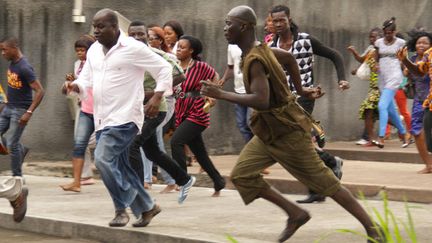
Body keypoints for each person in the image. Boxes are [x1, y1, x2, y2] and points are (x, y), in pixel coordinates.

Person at [201, 5, 383, 242]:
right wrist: (301, 89)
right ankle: (295, 213)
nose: (225, 29)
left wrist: (221, 94)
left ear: (243, 26)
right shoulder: (259, 48)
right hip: (268, 131)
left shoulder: (255, 58)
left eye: (229, 24)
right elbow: (287, 58)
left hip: (287, 131)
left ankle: (373, 230)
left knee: (326, 182)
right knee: (242, 175)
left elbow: (261, 100)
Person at [64, 9, 177, 228]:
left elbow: (163, 69)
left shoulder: (133, 48)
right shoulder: (95, 50)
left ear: (115, 28)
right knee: (123, 167)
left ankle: (120, 209)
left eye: (101, 26)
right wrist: (74, 86)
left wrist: (157, 96)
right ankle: (147, 206)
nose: (95, 31)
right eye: (94, 26)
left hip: (126, 117)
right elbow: (86, 79)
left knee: (103, 158)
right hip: (102, 118)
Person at [269, 4, 343, 204]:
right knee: (302, 144)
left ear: (289, 19)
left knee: (302, 142)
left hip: (305, 97)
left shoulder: (305, 40)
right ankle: (326, 171)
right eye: (274, 21)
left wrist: (341, 79)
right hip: (285, 101)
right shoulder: (271, 47)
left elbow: (335, 55)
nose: (278, 24)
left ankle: (325, 171)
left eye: (281, 20)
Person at [127, 20, 196, 199]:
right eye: (132, 34)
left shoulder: (156, 55)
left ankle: (139, 194)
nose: (137, 37)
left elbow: (180, 75)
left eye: (141, 34)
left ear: (146, 37)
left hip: (156, 109)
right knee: (152, 151)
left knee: (133, 145)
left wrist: (153, 94)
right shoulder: (125, 55)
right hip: (135, 111)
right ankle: (184, 179)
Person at [171, 35, 225, 197]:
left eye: (182, 47)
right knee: (200, 153)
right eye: (178, 47)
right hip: (181, 110)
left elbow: (215, 76)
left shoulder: (200, 67)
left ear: (191, 51)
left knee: (176, 141)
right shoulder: (175, 66)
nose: (179, 49)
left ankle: (183, 180)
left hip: (197, 111)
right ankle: (218, 182)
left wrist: (212, 94)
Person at [0, 37, 45, 177]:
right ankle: (21, 150)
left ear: (14, 48)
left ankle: (17, 178)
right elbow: (14, 87)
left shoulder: (24, 67)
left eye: (4, 49)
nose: (2, 53)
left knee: (12, 145)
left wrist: (29, 112)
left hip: (20, 111)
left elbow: (40, 91)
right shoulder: (12, 63)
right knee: (13, 144)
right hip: (8, 108)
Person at [60, 35, 96, 192]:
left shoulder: (97, 64)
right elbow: (80, 83)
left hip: (101, 108)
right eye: (78, 50)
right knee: (79, 143)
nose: (80, 53)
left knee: (97, 143)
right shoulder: (78, 65)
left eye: (83, 50)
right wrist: (70, 85)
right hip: (83, 107)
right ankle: (80, 180)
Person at [397, 31, 432, 173]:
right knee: (417, 131)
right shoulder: (412, 59)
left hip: (429, 99)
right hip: (420, 100)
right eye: (419, 42)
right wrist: (404, 62)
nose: (421, 45)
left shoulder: (429, 57)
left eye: (425, 42)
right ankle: (429, 165)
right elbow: (414, 72)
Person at [372, 17, 408, 148]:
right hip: (383, 77)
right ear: (384, 31)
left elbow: (405, 59)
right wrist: (375, 64)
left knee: (381, 106)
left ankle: (381, 137)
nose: (389, 35)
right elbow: (376, 56)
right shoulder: (379, 42)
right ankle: (404, 135)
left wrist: (405, 70)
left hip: (395, 75)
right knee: (390, 110)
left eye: (391, 32)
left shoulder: (401, 43)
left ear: (395, 31)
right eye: (386, 32)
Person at [347, 28, 382, 146]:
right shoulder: (370, 50)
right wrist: (354, 52)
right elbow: (363, 61)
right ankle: (399, 123)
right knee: (375, 112)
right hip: (373, 86)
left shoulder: (383, 51)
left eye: (374, 37)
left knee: (368, 111)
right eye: (370, 37)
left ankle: (368, 138)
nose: (372, 39)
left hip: (381, 87)